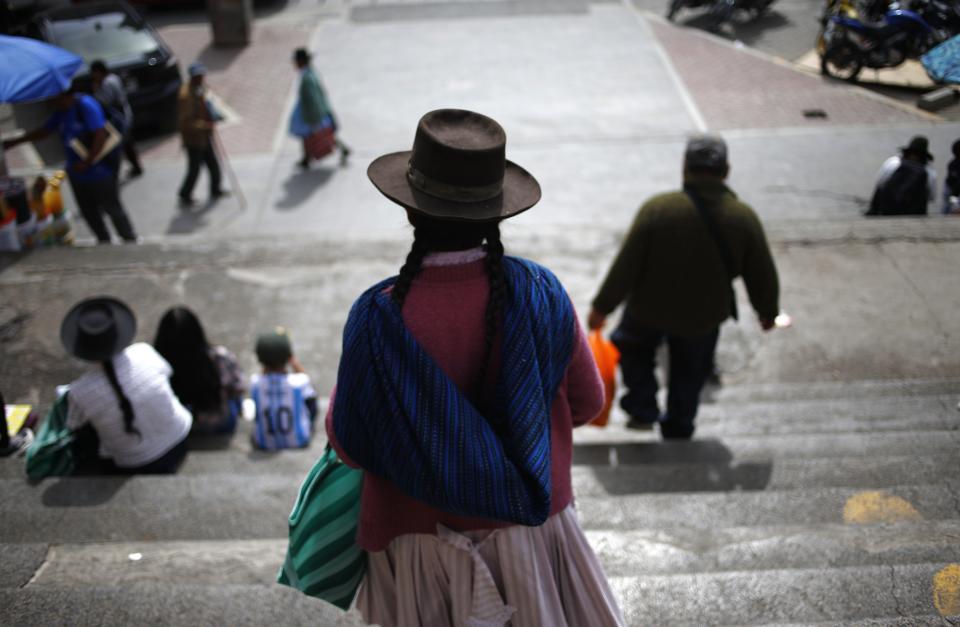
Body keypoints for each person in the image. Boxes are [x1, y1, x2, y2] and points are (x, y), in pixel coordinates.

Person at [327, 109, 624, 626]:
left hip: (416, 542)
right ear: (497, 214)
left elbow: (350, 445)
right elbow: (589, 402)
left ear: (412, 212)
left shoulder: (376, 318)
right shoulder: (540, 292)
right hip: (534, 532)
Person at [588, 134, 780, 440]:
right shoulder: (742, 217)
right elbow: (762, 273)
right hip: (704, 315)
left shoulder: (658, 209)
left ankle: (642, 406)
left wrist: (602, 307)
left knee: (632, 347)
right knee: (690, 371)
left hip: (648, 309)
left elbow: (627, 265)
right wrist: (767, 312)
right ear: (726, 170)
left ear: (684, 168)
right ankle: (679, 426)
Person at [60, 297, 192, 474]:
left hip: (135, 463)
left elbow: (72, 425)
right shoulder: (145, 352)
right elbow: (168, 373)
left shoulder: (78, 392)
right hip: (179, 440)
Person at [2, 87, 138, 244]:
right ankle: (103, 241)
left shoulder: (85, 105)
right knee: (89, 211)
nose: (51, 102)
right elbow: (45, 131)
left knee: (112, 208)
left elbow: (99, 135)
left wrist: (87, 162)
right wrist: (14, 142)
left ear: (65, 95)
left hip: (99, 172)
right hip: (76, 173)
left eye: (53, 98)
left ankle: (129, 239)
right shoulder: (61, 111)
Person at [153, 306, 245, 435]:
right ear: (198, 333)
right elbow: (238, 388)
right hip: (221, 423)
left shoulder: (154, 368)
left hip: (179, 429)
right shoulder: (220, 358)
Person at [249, 328, 318, 450]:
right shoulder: (299, 382)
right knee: (309, 400)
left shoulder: (255, 383)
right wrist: (294, 363)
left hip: (263, 444)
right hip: (299, 441)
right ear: (288, 357)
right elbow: (306, 380)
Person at [177, 62, 227, 208]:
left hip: (205, 137)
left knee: (213, 164)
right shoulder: (186, 96)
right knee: (194, 169)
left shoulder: (199, 88)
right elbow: (186, 123)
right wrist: (205, 125)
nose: (202, 78)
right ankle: (185, 193)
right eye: (199, 76)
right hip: (194, 140)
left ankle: (215, 189)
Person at [290, 48, 350, 169]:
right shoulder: (310, 73)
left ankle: (342, 150)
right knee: (314, 135)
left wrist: (314, 117)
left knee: (321, 135)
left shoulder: (308, 78)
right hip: (312, 111)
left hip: (313, 113)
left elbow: (313, 98)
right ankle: (306, 159)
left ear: (301, 61)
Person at [89, 59, 143, 179]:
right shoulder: (113, 78)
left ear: (99, 72)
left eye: (94, 73)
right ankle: (136, 167)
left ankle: (125, 170)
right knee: (127, 143)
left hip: (119, 117)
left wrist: (95, 90)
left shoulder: (107, 83)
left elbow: (105, 101)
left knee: (120, 145)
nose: (92, 76)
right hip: (123, 114)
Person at [867, 135, 937, 216]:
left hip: (888, 209)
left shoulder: (893, 163)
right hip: (914, 213)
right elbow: (931, 196)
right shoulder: (929, 171)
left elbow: (880, 183)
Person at [943, 139, 960, 215]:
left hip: (949, 188)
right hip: (953, 190)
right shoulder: (954, 164)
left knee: (947, 207)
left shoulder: (952, 163)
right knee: (950, 206)